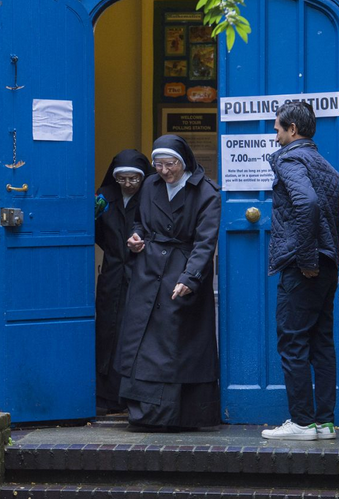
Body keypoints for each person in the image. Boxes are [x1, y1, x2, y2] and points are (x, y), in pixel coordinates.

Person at [117, 134, 221, 430]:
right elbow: (139, 221)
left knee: (177, 346)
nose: (163, 170)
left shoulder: (206, 192)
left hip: (181, 271)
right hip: (148, 271)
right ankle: (144, 413)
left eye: (170, 164)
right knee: (143, 341)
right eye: (158, 164)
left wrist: (190, 277)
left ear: (184, 161)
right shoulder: (150, 185)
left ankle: (180, 415)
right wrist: (136, 238)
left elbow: (205, 242)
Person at [261, 101, 339, 441]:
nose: (275, 134)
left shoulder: (290, 158)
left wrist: (307, 259)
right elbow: (330, 216)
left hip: (303, 265)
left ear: (292, 130)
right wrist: (328, 262)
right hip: (326, 265)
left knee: (293, 341)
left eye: (278, 128)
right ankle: (324, 423)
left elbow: (306, 204)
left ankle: (302, 423)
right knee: (321, 341)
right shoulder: (324, 164)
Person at [95, 149, 153, 414]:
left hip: (140, 274)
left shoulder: (151, 197)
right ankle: (106, 396)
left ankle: (133, 395)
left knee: (134, 334)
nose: (128, 184)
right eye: (122, 179)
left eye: (133, 179)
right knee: (107, 331)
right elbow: (93, 230)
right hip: (112, 274)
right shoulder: (104, 198)